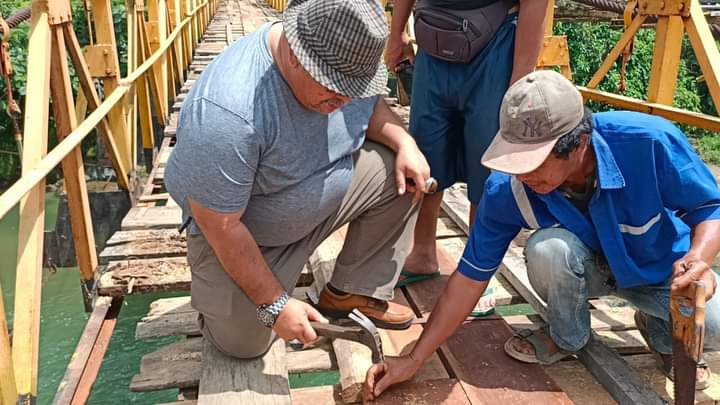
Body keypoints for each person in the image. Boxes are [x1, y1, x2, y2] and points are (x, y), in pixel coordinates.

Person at [364, 70, 720, 399]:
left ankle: (659, 327)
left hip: (662, 273)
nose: (522, 175)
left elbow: (710, 207)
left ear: (579, 142)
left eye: (533, 162)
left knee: (716, 324)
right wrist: (414, 357)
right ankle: (567, 335)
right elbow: (470, 277)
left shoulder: (648, 142)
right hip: (587, 270)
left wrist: (698, 259)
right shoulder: (508, 189)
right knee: (549, 249)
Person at [164, 0, 431, 359]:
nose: (346, 100)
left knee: (402, 174)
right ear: (292, 51)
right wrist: (274, 304)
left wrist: (404, 141)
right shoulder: (228, 113)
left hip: (318, 195)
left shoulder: (340, 65)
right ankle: (241, 293)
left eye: (354, 87)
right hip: (243, 231)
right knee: (243, 345)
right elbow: (221, 225)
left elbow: (368, 104)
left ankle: (352, 289)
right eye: (334, 90)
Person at [386, 0, 548, 312]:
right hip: (434, 36)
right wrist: (397, 34)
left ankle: (475, 270)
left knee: (487, 159)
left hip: (494, 41)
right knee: (426, 149)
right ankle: (422, 252)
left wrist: (521, 77)